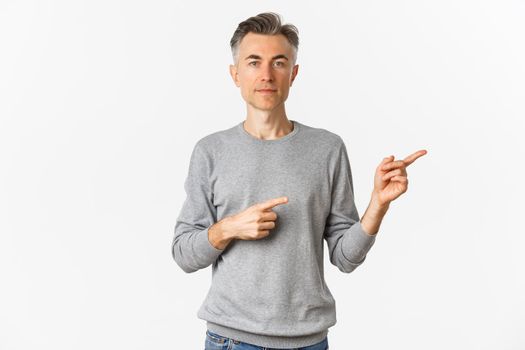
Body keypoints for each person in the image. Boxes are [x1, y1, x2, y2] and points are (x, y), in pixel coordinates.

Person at [172, 12, 427, 350]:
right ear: (235, 74)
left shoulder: (327, 148)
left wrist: (377, 205)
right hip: (231, 339)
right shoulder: (210, 151)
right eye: (253, 62)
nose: (266, 74)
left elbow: (345, 258)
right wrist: (228, 228)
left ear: (293, 74)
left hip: (308, 341)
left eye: (278, 63)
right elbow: (183, 254)